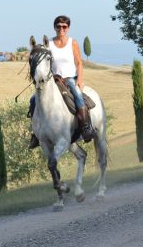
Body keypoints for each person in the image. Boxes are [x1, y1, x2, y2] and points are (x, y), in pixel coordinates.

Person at [28, 15, 95, 149]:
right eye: (58, 26)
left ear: (68, 28)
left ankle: (86, 127)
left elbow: (79, 62)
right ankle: (36, 133)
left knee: (78, 97)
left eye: (64, 26)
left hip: (69, 78)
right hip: (53, 79)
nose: (61, 29)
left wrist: (80, 80)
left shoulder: (72, 42)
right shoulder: (50, 44)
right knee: (33, 99)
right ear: (55, 27)